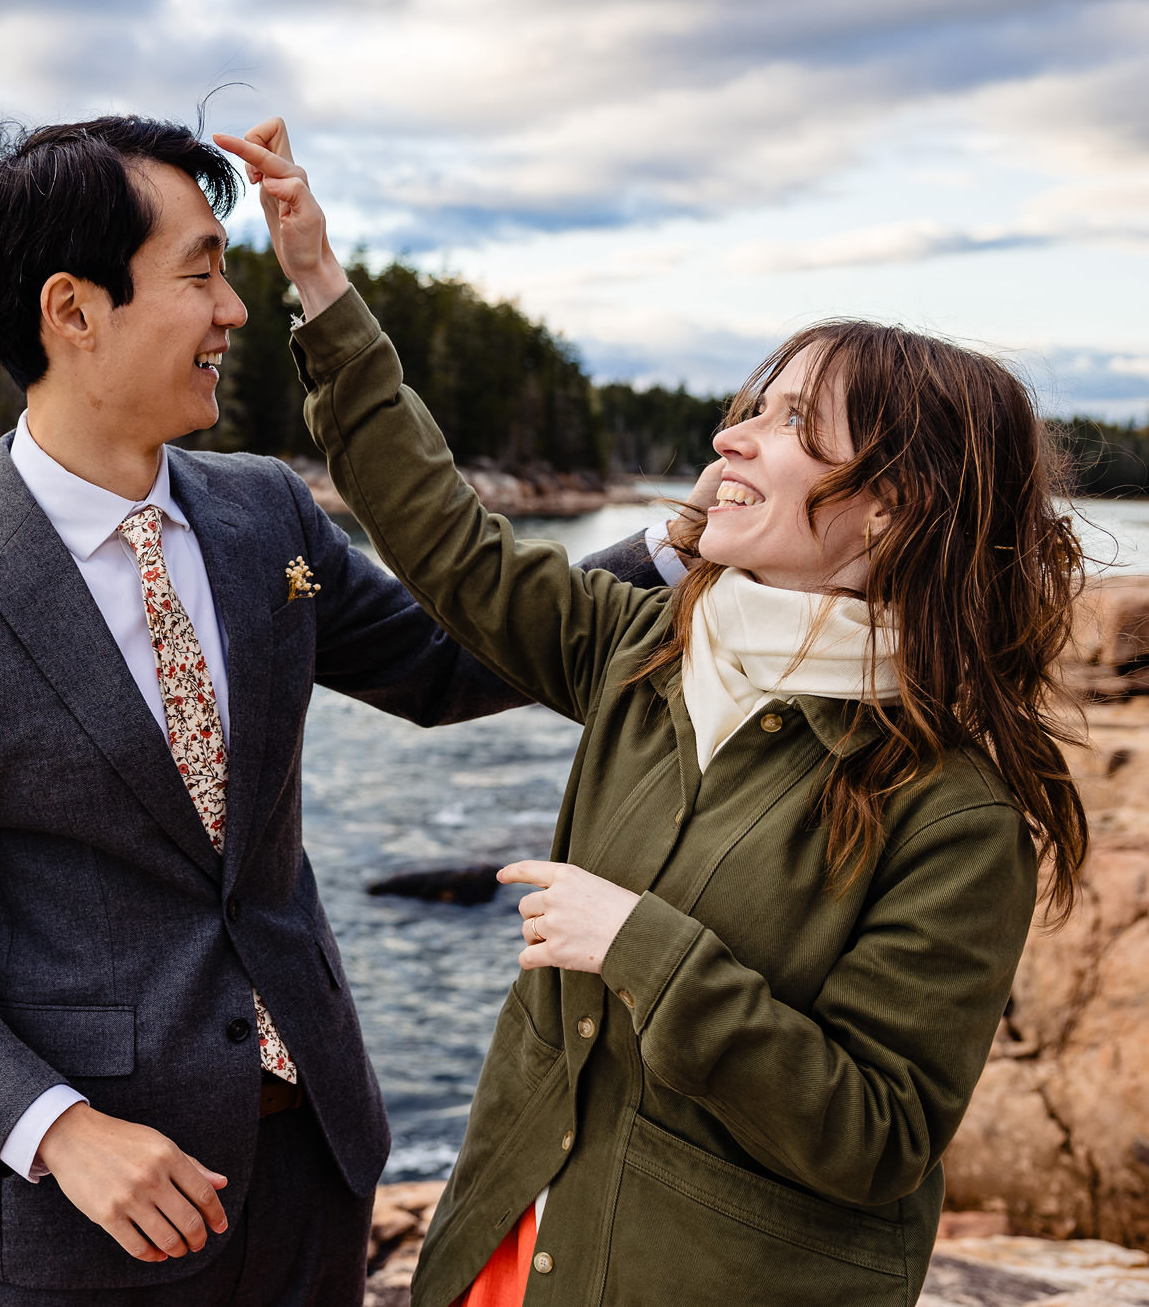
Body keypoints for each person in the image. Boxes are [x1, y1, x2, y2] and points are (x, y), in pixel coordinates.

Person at [214, 117, 1089, 1307]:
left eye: (787, 423)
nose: (729, 435)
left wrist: (641, 949)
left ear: (891, 504)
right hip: (511, 1255)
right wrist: (316, 280)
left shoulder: (952, 807)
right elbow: (446, 543)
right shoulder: (646, 646)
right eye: (749, 405)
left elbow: (878, 1134)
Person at [0, 116, 669, 1306]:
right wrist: (55, 1129)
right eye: (201, 271)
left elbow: (442, 659)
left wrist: (675, 543)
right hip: (93, 1220)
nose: (233, 311)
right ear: (73, 310)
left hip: (316, 1167)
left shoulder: (264, 514)